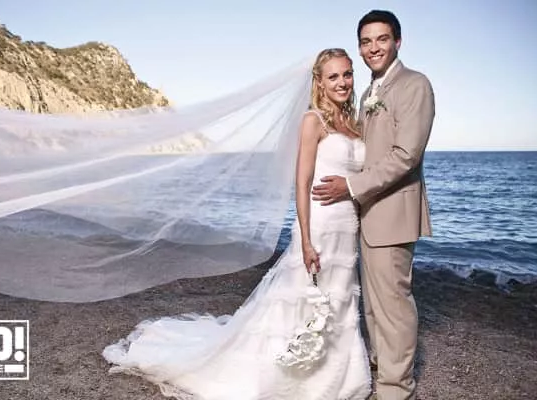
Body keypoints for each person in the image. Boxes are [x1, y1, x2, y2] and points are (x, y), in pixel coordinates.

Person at [102, 48, 371, 400]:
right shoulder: (313, 121)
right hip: (320, 225)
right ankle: (293, 376)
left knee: (340, 297)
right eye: (333, 76)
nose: (342, 82)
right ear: (319, 82)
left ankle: (339, 374)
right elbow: (301, 182)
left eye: (347, 74)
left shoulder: (354, 124)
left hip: (348, 226)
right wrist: (306, 239)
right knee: (304, 298)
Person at [311, 10, 435, 400]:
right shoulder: (368, 93)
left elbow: (405, 156)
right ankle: (382, 372)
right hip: (364, 215)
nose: (373, 47)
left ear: (398, 41)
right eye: (366, 41)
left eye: (382, 39)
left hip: (393, 212)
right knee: (373, 307)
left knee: (393, 306)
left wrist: (350, 185)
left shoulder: (414, 85)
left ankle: (396, 389)